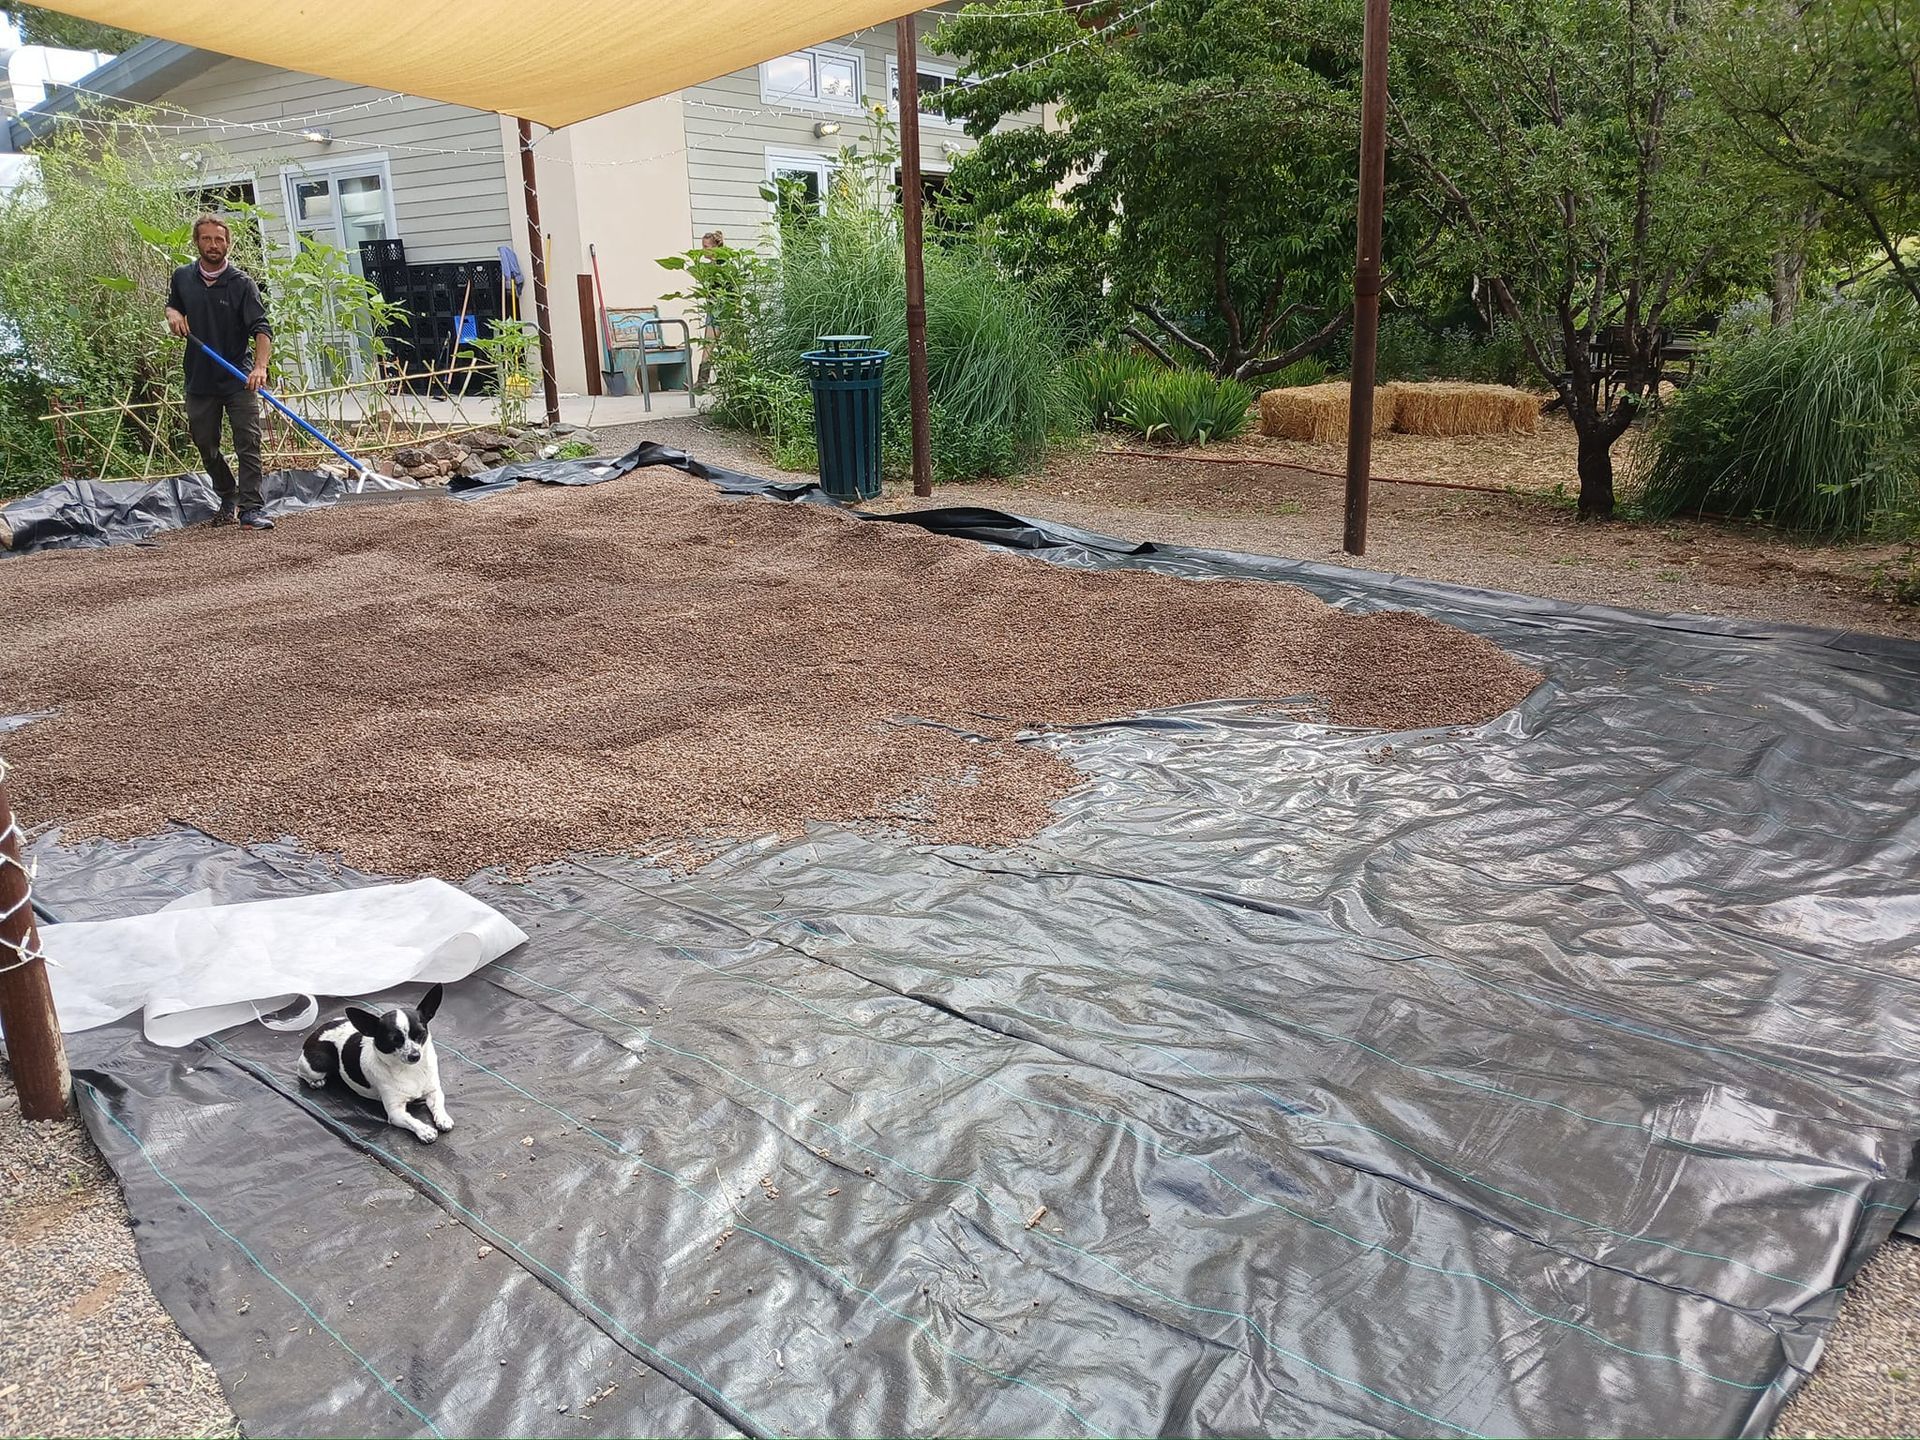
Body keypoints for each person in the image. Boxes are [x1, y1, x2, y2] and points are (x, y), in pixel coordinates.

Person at [165, 213, 276, 530]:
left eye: (219, 239)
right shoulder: (182, 277)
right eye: (207, 239)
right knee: (205, 444)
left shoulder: (241, 284)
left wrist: (260, 366)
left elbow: (262, 328)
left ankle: (251, 508)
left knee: (248, 441)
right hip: (199, 378)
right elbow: (172, 306)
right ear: (196, 242)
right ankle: (228, 496)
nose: (213, 245)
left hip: (238, 377)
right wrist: (173, 315)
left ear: (228, 244)